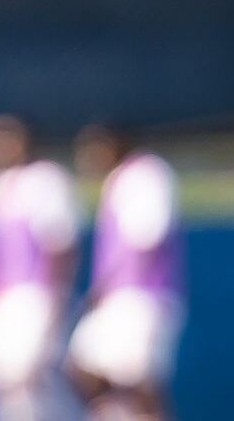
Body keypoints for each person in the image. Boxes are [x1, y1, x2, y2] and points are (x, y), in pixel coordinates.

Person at [0, 115, 83, 421]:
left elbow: (61, 248)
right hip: (2, 300)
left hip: (38, 295)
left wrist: (55, 302)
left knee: (30, 377)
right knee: (3, 383)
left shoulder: (47, 180)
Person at [66, 124, 184, 421]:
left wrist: (107, 284)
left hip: (143, 296)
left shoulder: (146, 175)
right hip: (115, 299)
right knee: (83, 368)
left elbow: (146, 239)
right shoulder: (119, 180)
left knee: (139, 381)